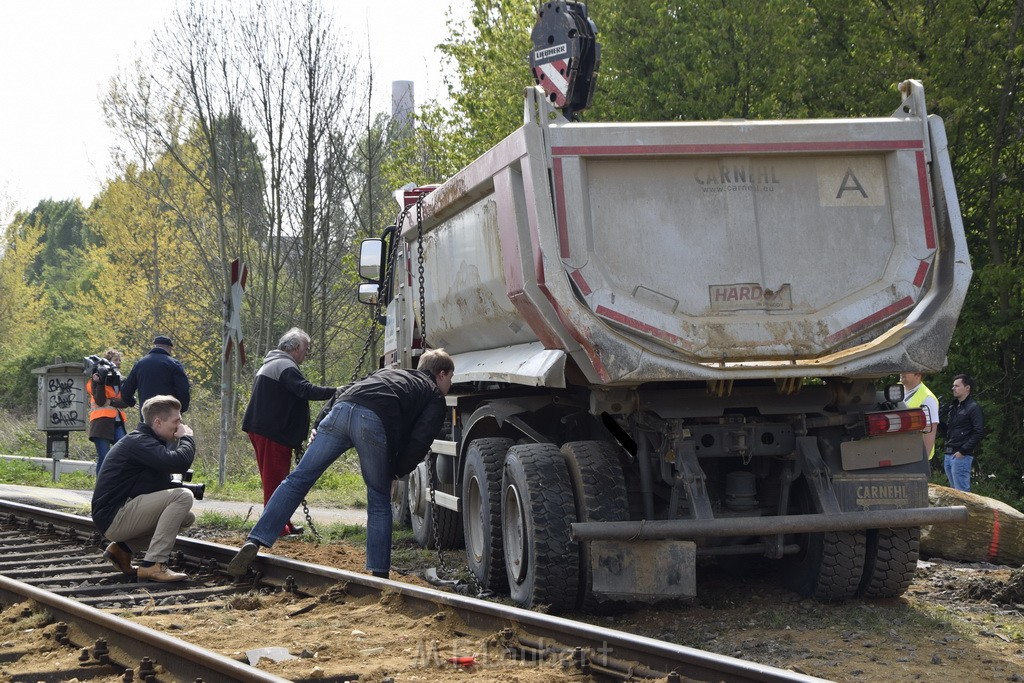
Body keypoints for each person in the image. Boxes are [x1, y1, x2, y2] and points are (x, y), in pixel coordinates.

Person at [228, 348, 455, 579]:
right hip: (372, 421)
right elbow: (420, 439)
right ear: (442, 374)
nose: (450, 385)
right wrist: (395, 471)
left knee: (296, 480)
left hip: (340, 411)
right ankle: (379, 574)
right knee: (378, 498)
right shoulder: (433, 394)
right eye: (451, 378)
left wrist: (318, 423)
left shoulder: (386, 374)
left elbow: (344, 391)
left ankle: (255, 539)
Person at [242, 327, 337, 536]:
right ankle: (274, 527)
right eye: (306, 347)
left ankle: (281, 522)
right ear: (295, 347)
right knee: (275, 481)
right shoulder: (284, 365)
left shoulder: (276, 363)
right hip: (272, 432)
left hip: (270, 430)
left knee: (278, 479)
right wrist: (338, 391)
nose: (307, 352)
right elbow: (305, 390)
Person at [91, 395, 196, 582]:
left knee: (186, 517)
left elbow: (155, 485)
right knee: (182, 497)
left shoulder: (147, 442)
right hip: (114, 516)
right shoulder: (139, 442)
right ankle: (154, 564)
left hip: (117, 514)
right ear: (158, 422)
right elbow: (178, 463)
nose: (180, 426)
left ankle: (122, 550)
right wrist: (187, 439)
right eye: (176, 421)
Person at [121, 335, 191, 416]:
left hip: (147, 415)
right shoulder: (174, 364)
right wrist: (181, 409)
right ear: (169, 348)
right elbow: (183, 390)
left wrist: (132, 402)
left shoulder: (140, 364)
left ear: (155, 346)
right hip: (169, 415)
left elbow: (126, 391)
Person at [86, 348, 128, 473]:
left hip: (118, 421)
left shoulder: (120, 380)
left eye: (120, 360)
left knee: (123, 455)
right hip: (101, 423)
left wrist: (111, 401)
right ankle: (101, 489)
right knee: (104, 457)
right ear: (108, 362)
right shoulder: (96, 379)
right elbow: (99, 401)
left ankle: (115, 485)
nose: (119, 362)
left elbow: (125, 402)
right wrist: (100, 382)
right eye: (116, 360)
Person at [943, 374, 984, 492]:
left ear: (967, 388)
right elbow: (948, 431)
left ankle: (966, 511)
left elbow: (978, 432)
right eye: (953, 386)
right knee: (954, 493)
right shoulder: (954, 407)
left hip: (961, 455)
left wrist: (962, 451)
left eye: (957, 386)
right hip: (949, 453)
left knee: (962, 493)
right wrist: (938, 420)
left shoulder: (973, 407)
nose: (953, 388)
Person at [900, 371, 939, 461]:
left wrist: (923, 461)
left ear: (918, 374)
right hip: (899, 454)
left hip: (915, 458)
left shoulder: (928, 399)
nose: (902, 372)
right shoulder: (897, 390)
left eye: (906, 369)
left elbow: (929, 431)